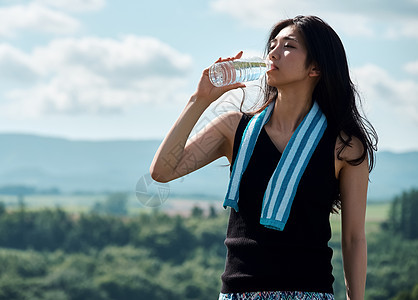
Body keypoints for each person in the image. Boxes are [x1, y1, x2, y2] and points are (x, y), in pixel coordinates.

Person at [150, 15, 377, 300]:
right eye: (272, 45)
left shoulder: (344, 147)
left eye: (288, 46)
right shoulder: (234, 128)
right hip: (240, 293)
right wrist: (200, 99)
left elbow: (354, 239)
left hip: (311, 292)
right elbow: (162, 171)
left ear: (316, 67)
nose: (273, 52)